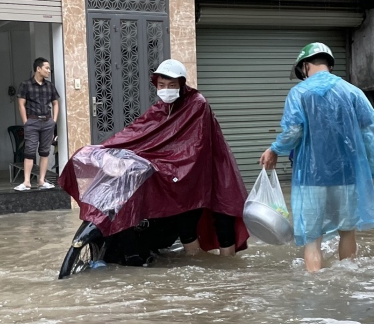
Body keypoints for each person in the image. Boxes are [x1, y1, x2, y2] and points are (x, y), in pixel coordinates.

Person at [58, 59, 248, 267]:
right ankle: (195, 268)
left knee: (223, 222)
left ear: (182, 84)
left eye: (172, 85)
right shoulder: (160, 108)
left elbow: (194, 145)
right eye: (162, 85)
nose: (166, 90)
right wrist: (105, 149)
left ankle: (229, 272)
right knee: (185, 223)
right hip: (177, 171)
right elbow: (137, 132)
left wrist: (165, 163)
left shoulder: (197, 104)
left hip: (209, 170)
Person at [259, 43, 374, 270]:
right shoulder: (352, 92)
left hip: (311, 179)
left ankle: (315, 290)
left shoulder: (299, 93)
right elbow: (372, 132)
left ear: (306, 66)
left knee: (312, 238)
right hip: (347, 176)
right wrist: (373, 174)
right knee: (347, 233)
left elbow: (294, 130)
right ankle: (348, 279)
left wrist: (275, 149)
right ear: (329, 65)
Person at [15, 57, 59, 191]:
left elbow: (55, 103)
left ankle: (41, 180)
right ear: (38, 69)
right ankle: (26, 182)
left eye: (49, 68)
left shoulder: (50, 86)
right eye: (46, 68)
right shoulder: (26, 85)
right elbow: (21, 104)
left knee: (45, 152)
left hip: (47, 121)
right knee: (29, 151)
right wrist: (26, 121)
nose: (49, 71)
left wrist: (54, 120)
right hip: (32, 121)